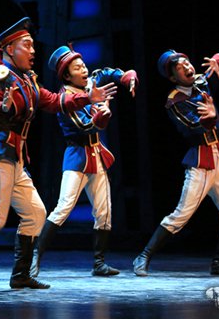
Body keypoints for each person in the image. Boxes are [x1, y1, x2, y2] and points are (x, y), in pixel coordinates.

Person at [0, 17, 116, 293]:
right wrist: (3, 108)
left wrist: (87, 98)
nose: (32, 50)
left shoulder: (27, 80)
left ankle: (21, 275)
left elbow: (54, 101)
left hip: (14, 156)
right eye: (26, 45)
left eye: (32, 45)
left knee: (35, 213)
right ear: (9, 49)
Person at [132, 50, 219, 277]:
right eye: (179, 67)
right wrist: (210, 117)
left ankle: (218, 263)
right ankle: (143, 256)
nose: (186, 66)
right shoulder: (174, 101)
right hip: (201, 162)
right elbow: (193, 126)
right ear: (173, 77)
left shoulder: (202, 82)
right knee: (182, 214)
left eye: (186, 62)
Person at [30, 45, 138, 278]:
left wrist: (125, 76)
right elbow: (85, 126)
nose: (85, 70)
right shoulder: (65, 100)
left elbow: (106, 72)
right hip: (78, 156)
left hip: (96, 155)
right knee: (63, 207)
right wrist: (101, 116)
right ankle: (35, 256)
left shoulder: (91, 84)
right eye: (78, 68)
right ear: (67, 76)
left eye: (83, 65)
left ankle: (99, 263)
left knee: (104, 211)